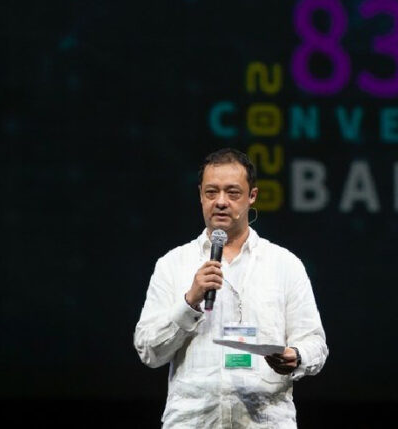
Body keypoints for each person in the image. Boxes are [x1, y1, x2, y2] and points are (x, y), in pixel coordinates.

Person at [134, 148, 328, 428]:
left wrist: (296, 357)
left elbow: (315, 343)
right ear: (200, 195)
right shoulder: (172, 264)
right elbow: (149, 351)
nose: (221, 202)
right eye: (212, 192)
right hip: (193, 422)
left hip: (265, 420)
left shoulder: (285, 264)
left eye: (233, 193)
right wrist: (189, 302)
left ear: (252, 197)